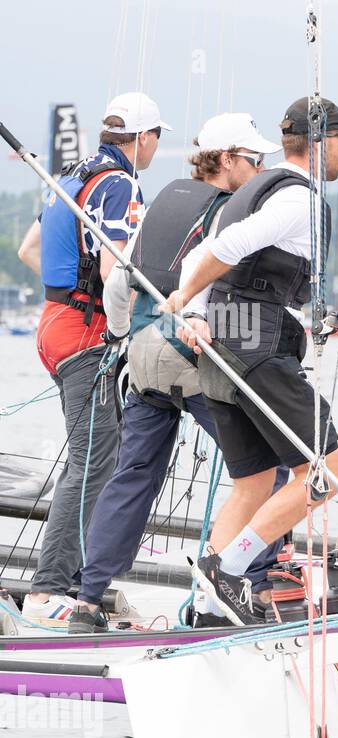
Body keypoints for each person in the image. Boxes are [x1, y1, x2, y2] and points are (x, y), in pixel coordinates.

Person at [68, 113, 283, 633]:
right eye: (253, 161)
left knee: (133, 475)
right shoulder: (231, 214)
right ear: (226, 160)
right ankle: (246, 584)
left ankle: (88, 601)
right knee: (271, 473)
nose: (259, 171)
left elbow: (119, 281)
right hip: (189, 355)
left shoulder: (162, 200)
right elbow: (213, 294)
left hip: (141, 357)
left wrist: (122, 337)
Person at [161, 97, 338, 624]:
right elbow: (233, 244)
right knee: (325, 470)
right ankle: (229, 570)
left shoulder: (247, 191)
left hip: (222, 350)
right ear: (322, 142)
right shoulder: (296, 200)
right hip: (258, 345)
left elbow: (195, 257)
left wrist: (199, 314)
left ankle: (207, 607)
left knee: (253, 481)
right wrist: (186, 304)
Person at [15, 93, 165, 625]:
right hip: (85, 334)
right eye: (157, 138)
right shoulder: (120, 183)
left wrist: (67, 295)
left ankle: (77, 582)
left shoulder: (71, 175)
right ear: (143, 138)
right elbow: (111, 272)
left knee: (101, 455)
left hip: (56, 323)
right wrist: (126, 331)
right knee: (94, 460)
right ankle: (47, 588)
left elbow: (29, 250)